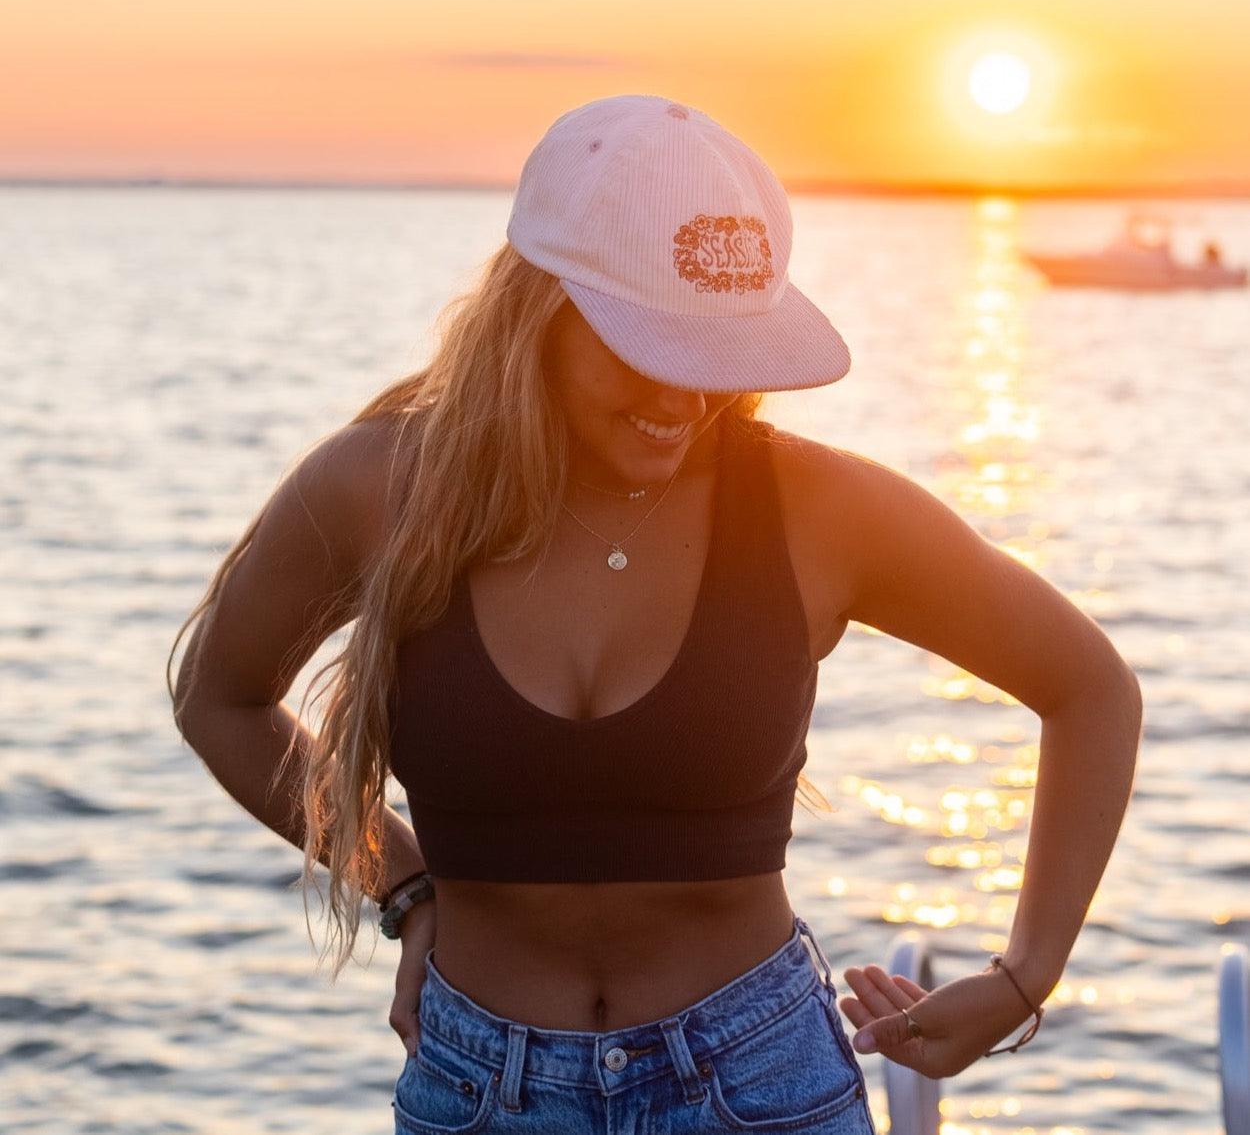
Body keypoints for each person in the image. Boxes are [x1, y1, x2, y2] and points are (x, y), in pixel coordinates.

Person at [167, 94, 1142, 1133]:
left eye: (714, 353)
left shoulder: (816, 510)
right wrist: (402, 886)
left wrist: (1020, 976)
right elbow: (220, 697)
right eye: (645, 345)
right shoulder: (380, 491)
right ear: (538, 307)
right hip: (480, 1087)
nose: (682, 398)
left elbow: (1086, 687)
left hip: (758, 1078)